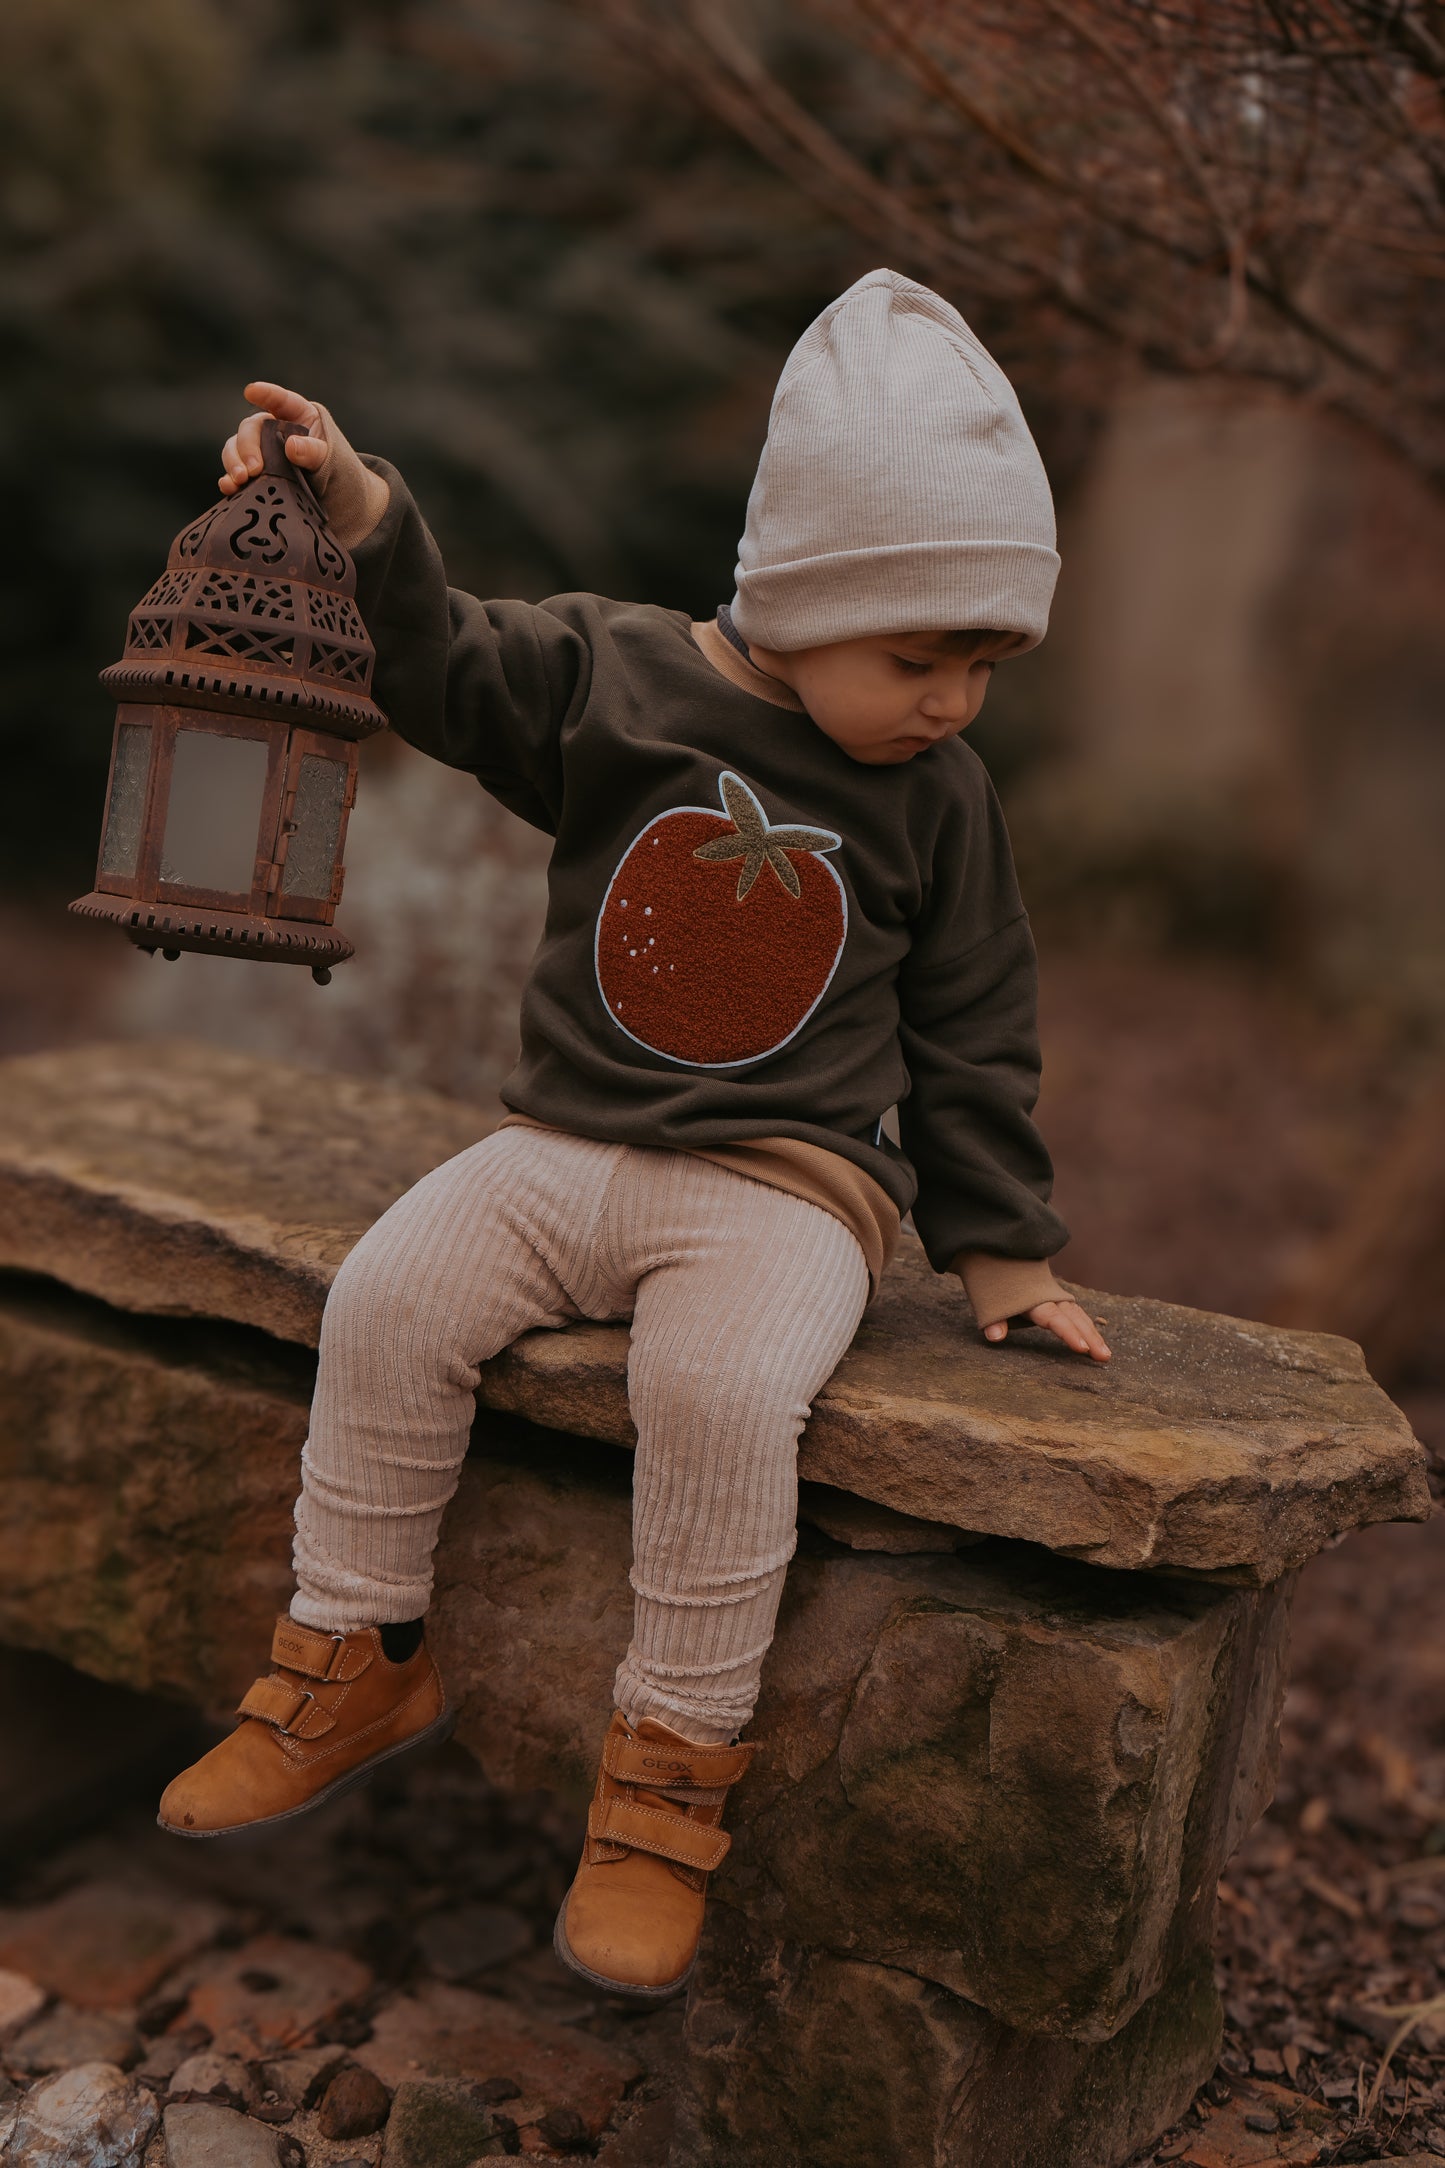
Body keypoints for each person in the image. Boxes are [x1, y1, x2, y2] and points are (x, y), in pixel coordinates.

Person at [158, 268, 1111, 2002]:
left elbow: (973, 1025)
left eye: (985, 662)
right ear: (804, 597)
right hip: (565, 1147)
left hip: (780, 1192)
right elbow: (444, 669)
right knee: (387, 1294)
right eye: (919, 655)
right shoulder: (616, 679)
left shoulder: (941, 801)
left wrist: (1001, 1247)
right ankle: (352, 1648)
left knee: (719, 1394)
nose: (954, 699)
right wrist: (362, 510)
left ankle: (667, 1778)